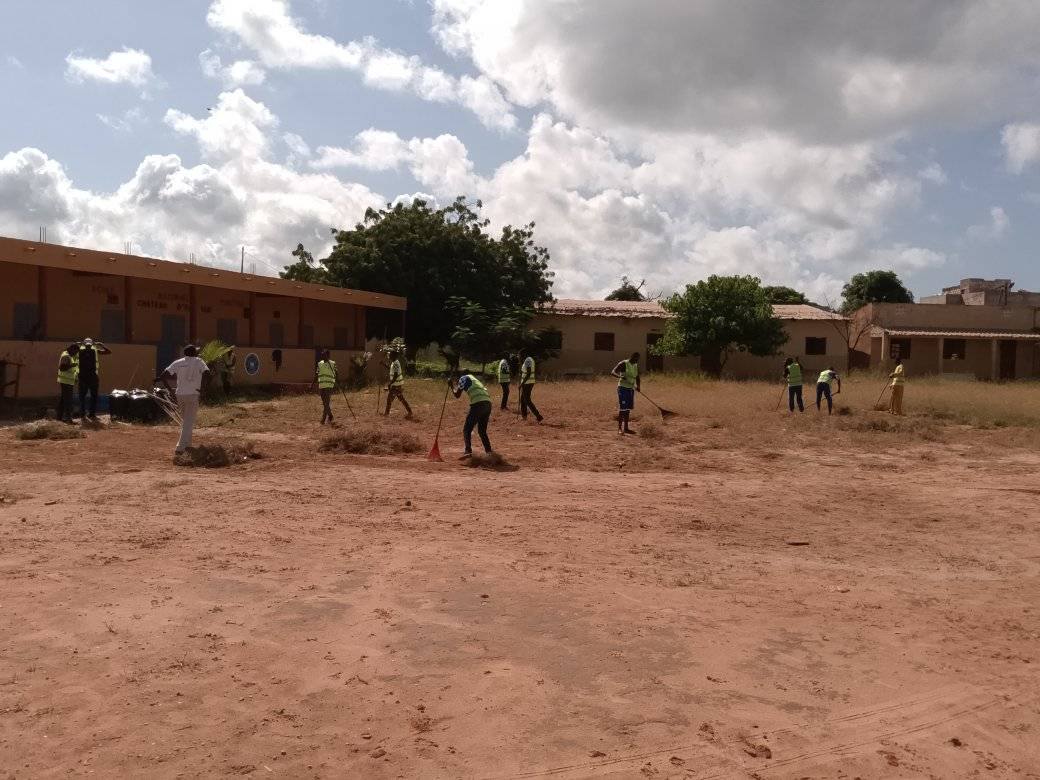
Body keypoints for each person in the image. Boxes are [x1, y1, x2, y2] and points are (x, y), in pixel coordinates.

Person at [157, 344, 211, 455]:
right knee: (188, 421)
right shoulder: (199, 361)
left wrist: (171, 391)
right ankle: (180, 447)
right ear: (194, 353)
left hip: (180, 394)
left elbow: (163, 376)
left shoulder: (178, 362)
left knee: (186, 421)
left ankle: (188, 445)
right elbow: (207, 373)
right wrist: (204, 389)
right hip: (193, 394)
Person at [451, 372, 493, 458]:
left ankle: (468, 451)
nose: (458, 383)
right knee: (482, 431)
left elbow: (457, 395)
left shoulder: (463, 378)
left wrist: (451, 386)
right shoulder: (474, 379)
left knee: (467, 429)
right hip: (488, 404)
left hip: (478, 404)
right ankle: (489, 452)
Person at [76, 337, 111, 419]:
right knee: (93, 397)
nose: (88, 346)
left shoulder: (79, 351)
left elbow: (69, 351)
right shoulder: (95, 351)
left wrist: (77, 344)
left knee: (83, 397)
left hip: (83, 377)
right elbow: (108, 352)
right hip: (92, 377)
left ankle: (83, 414)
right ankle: (91, 414)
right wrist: (102, 345)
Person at [611, 351, 641, 434]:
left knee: (627, 409)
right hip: (622, 388)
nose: (637, 361)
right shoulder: (623, 363)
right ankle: (619, 429)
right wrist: (620, 376)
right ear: (632, 357)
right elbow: (613, 372)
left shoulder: (635, 365)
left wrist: (638, 386)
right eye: (636, 359)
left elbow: (638, 377)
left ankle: (626, 428)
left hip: (630, 389)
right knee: (623, 408)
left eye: (638, 359)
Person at [384, 349, 413, 418]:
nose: (389, 356)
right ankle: (410, 412)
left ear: (394, 356)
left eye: (390, 355)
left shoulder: (396, 363)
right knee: (400, 399)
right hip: (396, 385)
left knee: (390, 399)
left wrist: (390, 383)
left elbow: (396, 375)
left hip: (396, 385)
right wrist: (384, 365)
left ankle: (386, 414)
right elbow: (391, 370)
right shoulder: (394, 362)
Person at [56, 343, 80, 423]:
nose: (76, 354)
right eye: (75, 352)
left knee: (63, 400)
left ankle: (59, 418)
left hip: (67, 381)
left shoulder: (68, 355)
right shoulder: (66, 356)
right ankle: (68, 419)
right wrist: (72, 365)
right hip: (66, 382)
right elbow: (62, 368)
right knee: (68, 401)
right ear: (72, 349)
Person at [518, 348, 543, 422]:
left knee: (527, 400)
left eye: (520, 355)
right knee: (523, 400)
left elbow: (528, 373)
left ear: (523, 354)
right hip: (528, 382)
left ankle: (538, 416)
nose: (519, 356)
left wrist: (521, 384)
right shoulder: (528, 360)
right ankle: (524, 416)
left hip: (527, 383)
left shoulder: (528, 360)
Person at [316, 349, 337, 425]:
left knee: (326, 402)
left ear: (328, 355)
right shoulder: (319, 363)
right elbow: (317, 374)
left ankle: (323, 419)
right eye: (322, 354)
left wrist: (337, 378)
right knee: (325, 403)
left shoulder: (332, 363)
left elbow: (336, 372)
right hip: (321, 385)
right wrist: (312, 384)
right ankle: (330, 415)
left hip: (329, 385)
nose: (322, 356)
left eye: (324, 354)